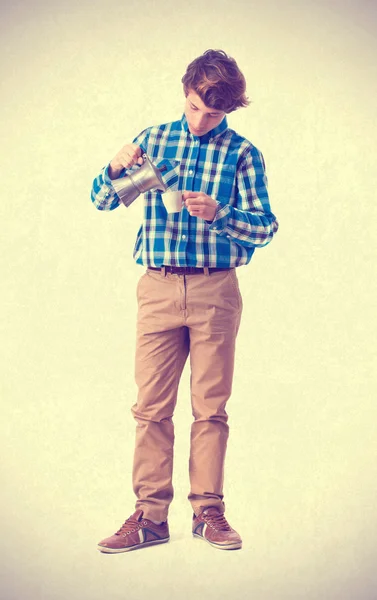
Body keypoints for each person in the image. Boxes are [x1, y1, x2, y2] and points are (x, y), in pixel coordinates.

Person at [91, 49, 278, 553]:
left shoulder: (242, 154)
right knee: (151, 408)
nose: (201, 120)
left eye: (214, 113)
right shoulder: (153, 141)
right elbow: (104, 200)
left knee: (210, 409)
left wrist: (220, 213)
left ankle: (208, 513)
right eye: (196, 107)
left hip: (216, 288)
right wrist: (112, 167)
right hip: (157, 285)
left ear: (230, 110)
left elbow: (266, 227)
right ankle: (149, 518)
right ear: (186, 92)